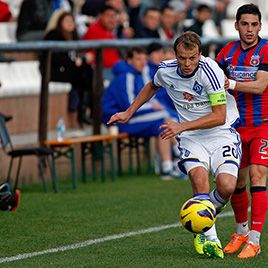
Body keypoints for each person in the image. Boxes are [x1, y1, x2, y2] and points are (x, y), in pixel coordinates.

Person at [107, 32, 241, 259]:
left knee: (226, 187)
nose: (187, 64)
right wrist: (129, 112)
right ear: (175, 55)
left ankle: (204, 214)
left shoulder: (212, 72)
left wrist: (181, 126)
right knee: (199, 180)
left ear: (200, 54)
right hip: (192, 138)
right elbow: (152, 85)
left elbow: (219, 116)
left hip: (220, 133)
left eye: (192, 58)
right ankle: (210, 238)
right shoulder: (166, 70)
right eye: (182, 58)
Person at [216, 3, 268, 259]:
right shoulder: (226, 53)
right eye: (244, 24)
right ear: (236, 25)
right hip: (235, 128)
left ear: (260, 26)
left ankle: (256, 240)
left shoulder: (266, 49)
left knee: (258, 176)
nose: (249, 29)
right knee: (238, 182)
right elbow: (213, 84)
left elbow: (260, 87)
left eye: (254, 24)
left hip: (263, 125)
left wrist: (231, 82)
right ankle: (241, 232)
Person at [102, 47, 177, 180]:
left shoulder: (138, 75)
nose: (142, 62)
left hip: (132, 118)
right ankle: (178, 156)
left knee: (162, 125)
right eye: (138, 59)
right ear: (129, 61)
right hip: (118, 121)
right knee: (165, 117)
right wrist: (154, 107)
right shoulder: (126, 76)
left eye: (144, 59)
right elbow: (129, 106)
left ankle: (167, 167)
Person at [41, 11, 93, 128]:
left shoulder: (74, 37)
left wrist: (81, 60)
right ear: (60, 22)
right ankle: (80, 112)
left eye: (72, 21)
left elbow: (77, 57)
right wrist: (75, 62)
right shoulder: (54, 35)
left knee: (88, 71)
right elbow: (56, 58)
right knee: (83, 74)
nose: (70, 24)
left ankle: (84, 111)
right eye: (67, 21)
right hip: (54, 71)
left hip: (69, 69)